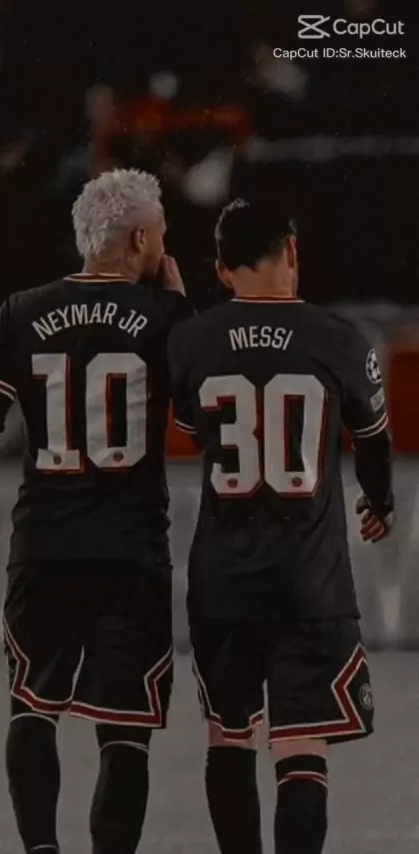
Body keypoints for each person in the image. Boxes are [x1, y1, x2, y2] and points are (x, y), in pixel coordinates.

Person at [0, 168, 190, 854]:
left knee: (32, 707)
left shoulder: (21, 311)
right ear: (139, 240)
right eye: (160, 234)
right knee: (125, 730)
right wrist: (181, 309)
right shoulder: (164, 317)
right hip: (130, 551)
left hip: (45, 546)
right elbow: (199, 422)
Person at [168, 198, 394, 854]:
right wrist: (379, 503)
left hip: (224, 580)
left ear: (222, 268)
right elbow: (374, 442)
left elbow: (193, 430)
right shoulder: (339, 338)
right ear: (291, 250)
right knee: (301, 744)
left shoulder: (193, 340)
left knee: (229, 735)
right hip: (309, 579)